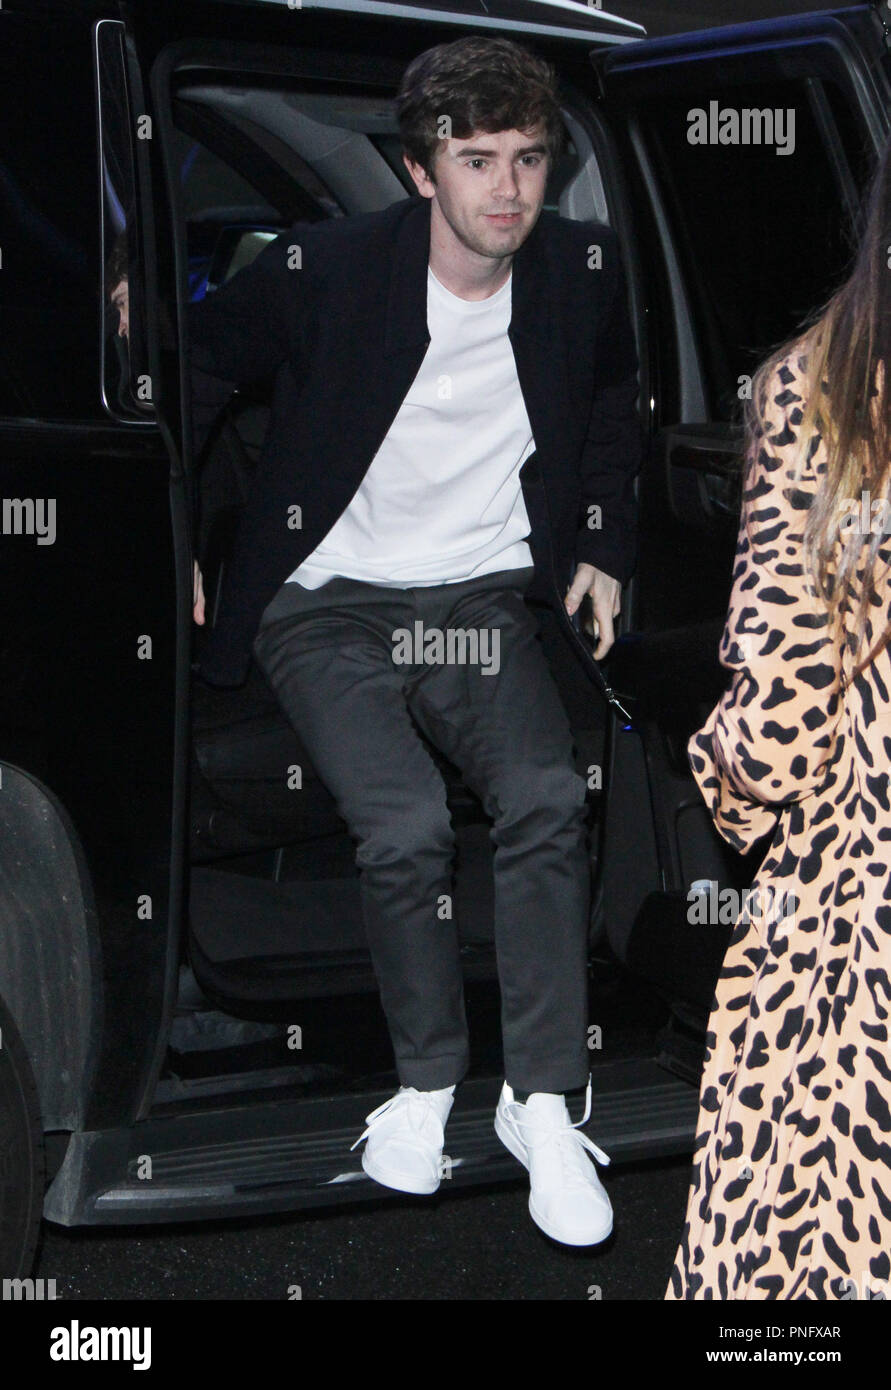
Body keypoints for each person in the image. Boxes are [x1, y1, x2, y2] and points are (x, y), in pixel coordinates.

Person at [188, 35, 641, 1247]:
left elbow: (610, 409)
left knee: (547, 793)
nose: (507, 188)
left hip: (475, 606)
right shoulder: (324, 270)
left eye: (530, 159)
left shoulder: (578, 274)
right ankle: (426, 1086)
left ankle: (543, 1101)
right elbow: (192, 371)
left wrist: (602, 545)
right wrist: (172, 531)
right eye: (476, 158)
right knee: (405, 824)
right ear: (417, 169)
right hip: (327, 600)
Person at [667, 139, 891, 1298]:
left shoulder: (819, 387)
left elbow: (783, 707)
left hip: (860, 910)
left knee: (805, 1247)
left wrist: (715, 781)